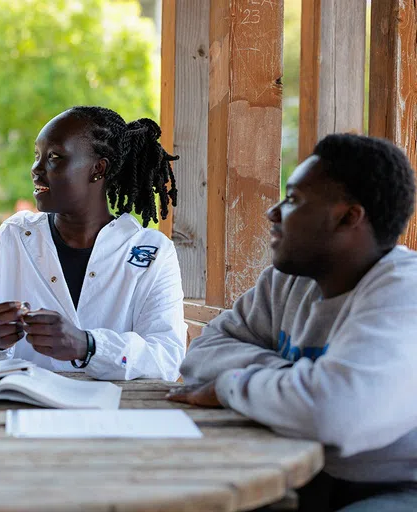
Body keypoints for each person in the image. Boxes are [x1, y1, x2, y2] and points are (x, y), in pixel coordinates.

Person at [168, 134, 417, 511]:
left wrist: (231, 385)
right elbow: (201, 356)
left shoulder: (403, 293)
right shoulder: (287, 280)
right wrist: (299, 379)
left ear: (349, 217)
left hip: (393, 486)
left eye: (294, 199)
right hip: (297, 471)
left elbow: (333, 414)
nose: (274, 212)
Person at [0, 106, 187, 380]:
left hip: (115, 416)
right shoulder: (13, 237)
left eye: (54, 157)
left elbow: (167, 357)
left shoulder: (152, 252)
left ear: (98, 168)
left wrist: (88, 346)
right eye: (37, 156)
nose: (36, 169)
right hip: (21, 413)